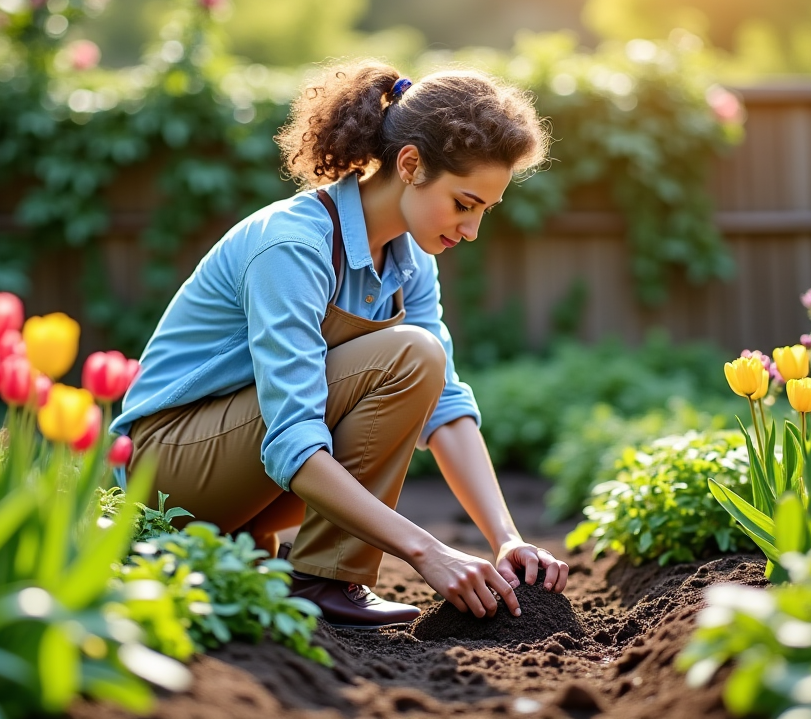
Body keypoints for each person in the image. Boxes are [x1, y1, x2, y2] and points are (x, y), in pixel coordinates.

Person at [111, 60, 570, 629]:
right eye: (464, 204)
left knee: (422, 361)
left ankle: (309, 571)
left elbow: (445, 406)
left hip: (243, 472)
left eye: (484, 212)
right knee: (413, 353)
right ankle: (327, 579)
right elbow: (292, 439)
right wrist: (427, 551)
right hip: (166, 473)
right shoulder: (293, 246)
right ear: (410, 164)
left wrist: (506, 540)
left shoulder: (410, 258)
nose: (472, 231)